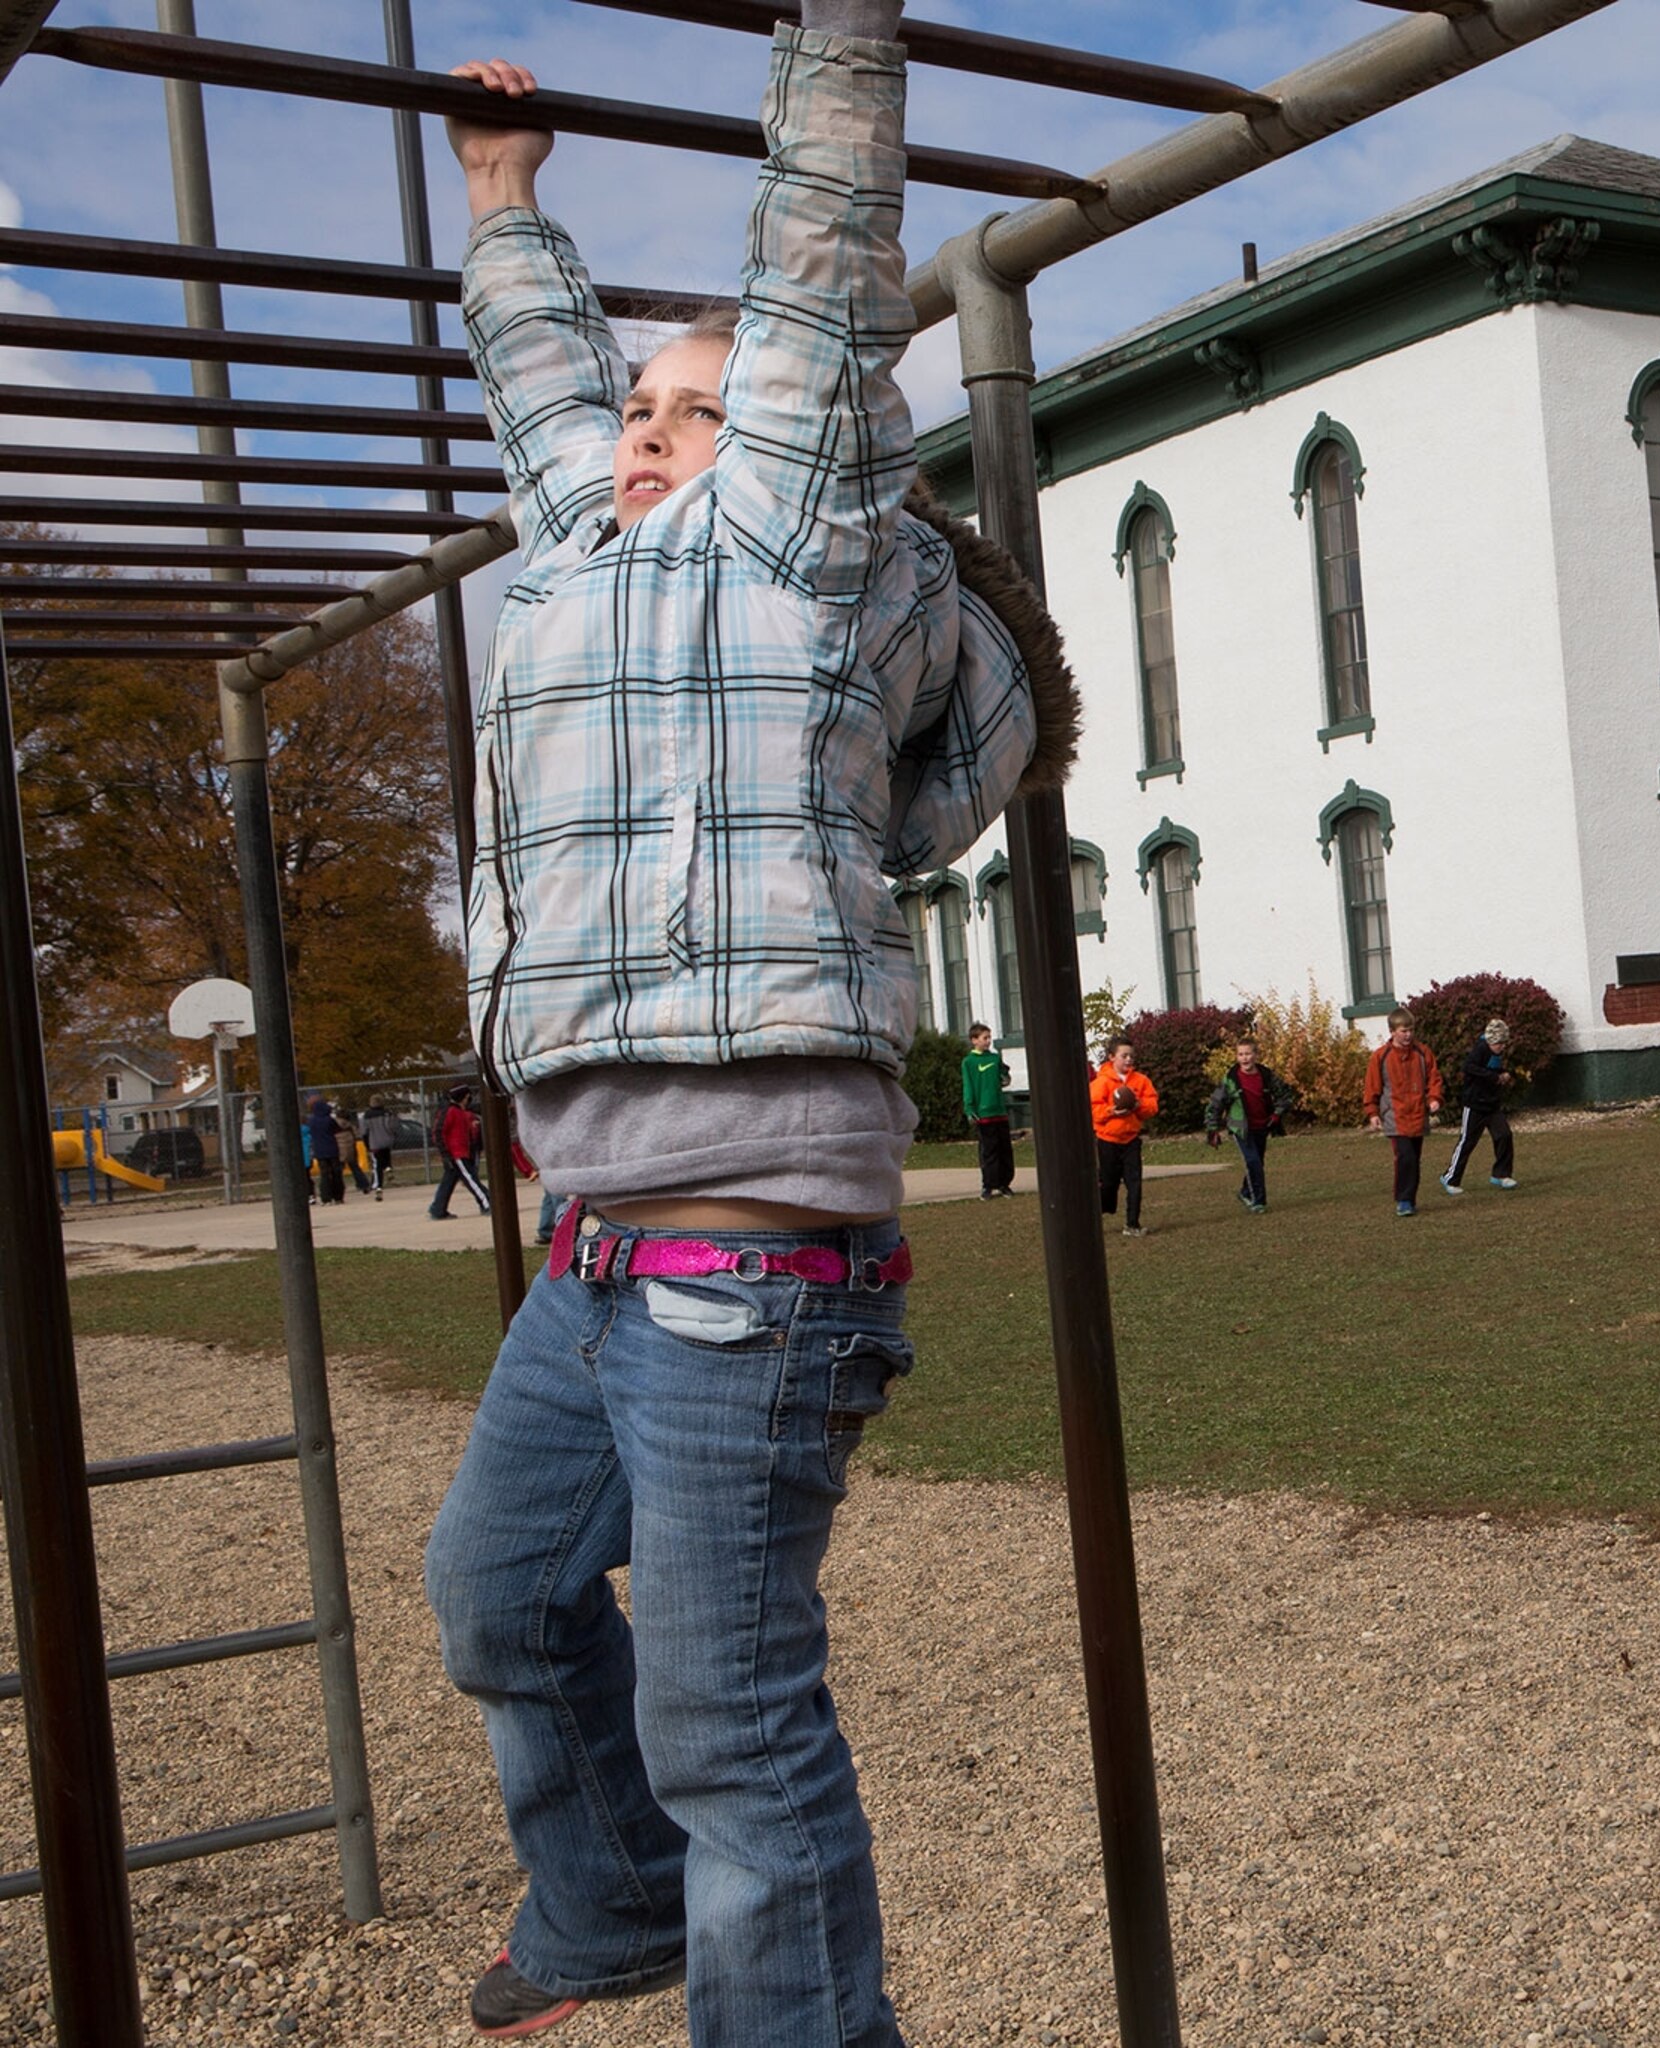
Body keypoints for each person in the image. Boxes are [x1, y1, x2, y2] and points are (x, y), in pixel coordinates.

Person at [423, 9, 1064, 2041]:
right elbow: (545, 386)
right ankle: (607, 1902)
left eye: (689, 408)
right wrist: (506, 208)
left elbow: (818, 267)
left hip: (751, 1262)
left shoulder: (788, 547)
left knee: (729, 1717)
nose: (640, 425)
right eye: (637, 403)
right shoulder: (585, 552)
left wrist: (839, 37)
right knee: (498, 1596)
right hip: (594, 1255)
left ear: (792, 446)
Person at [1203, 1036, 1296, 1213]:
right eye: (1240, 1055)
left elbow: (1285, 1095)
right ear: (1236, 1057)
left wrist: (1277, 1115)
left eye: (1248, 1054)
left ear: (1256, 1055)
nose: (1245, 1058)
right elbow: (1215, 1104)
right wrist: (1212, 1128)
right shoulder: (1231, 1079)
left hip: (1262, 1125)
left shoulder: (1266, 1075)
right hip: (1240, 1127)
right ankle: (1258, 1201)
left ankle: (1245, 1191)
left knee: (1257, 1162)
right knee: (1252, 1161)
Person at [1361, 1014, 1440, 1217]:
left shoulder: (1423, 1053)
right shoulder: (1381, 1056)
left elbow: (1434, 1077)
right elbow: (1372, 1086)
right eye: (1404, 1031)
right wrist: (1372, 1112)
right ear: (1393, 1032)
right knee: (1405, 1156)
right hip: (1395, 1115)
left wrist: (1434, 1098)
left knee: (1415, 1158)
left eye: (1411, 1030)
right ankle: (1403, 1200)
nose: (1408, 1035)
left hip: (1418, 1113)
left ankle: (1410, 1198)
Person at [1440, 1017, 1518, 1195]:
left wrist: (1504, 1075)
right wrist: (1493, 1077)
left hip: (1492, 1105)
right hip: (1475, 1105)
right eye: (1499, 1043)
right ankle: (1450, 1178)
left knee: (1504, 1135)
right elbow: (1469, 1067)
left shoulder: (1498, 1052)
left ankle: (1501, 1174)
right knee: (1467, 1142)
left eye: (1503, 1043)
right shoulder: (1479, 1050)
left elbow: (1497, 1069)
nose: (1502, 1047)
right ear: (1490, 1040)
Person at [1090, 1038, 1158, 1235]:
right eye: (1124, 1056)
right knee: (1109, 1184)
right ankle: (1098, 1213)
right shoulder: (1101, 1082)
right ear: (1112, 1057)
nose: (1129, 1060)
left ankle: (1132, 1223)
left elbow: (1152, 1105)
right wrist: (1111, 1111)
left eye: (1131, 1056)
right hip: (1107, 1141)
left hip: (1131, 1141)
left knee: (1134, 1183)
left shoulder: (1141, 1081)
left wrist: (1138, 1106)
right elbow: (1093, 1109)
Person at [962, 1021, 1014, 1200]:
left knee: (1004, 1149)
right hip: (984, 1114)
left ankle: (1004, 1183)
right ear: (974, 1040)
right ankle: (988, 1185)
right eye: (984, 1038)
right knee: (988, 1151)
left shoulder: (994, 1058)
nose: (988, 1041)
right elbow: (968, 1086)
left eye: (989, 1037)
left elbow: (1003, 1075)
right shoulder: (968, 1062)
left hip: (999, 1110)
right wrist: (969, 1108)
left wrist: (1005, 1077)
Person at [425, 1084, 489, 1221]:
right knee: (471, 1179)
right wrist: (446, 1154)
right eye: (467, 1097)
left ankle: (438, 1209)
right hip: (456, 1153)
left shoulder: (459, 1111)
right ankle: (487, 1202)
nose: (468, 1100)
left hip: (461, 1152)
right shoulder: (449, 1111)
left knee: (448, 1182)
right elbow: (438, 1132)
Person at [304, 1094, 345, 1206]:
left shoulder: (311, 1121)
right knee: (336, 1173)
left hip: (320, 1150)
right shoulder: (329, 1120)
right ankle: (338, 1196)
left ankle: (326, 1197)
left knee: (324, 1174)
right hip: (332, 1148)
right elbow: (337, 1130)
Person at [359, 1101, 400, 1196]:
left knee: (377, 1164)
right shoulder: (387, 1113)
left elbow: (364, 1132)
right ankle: (388, 1168)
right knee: (386, 1157)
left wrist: (367, 1145)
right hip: (387, 1140)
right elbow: (393, 1127)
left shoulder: (366, 1116)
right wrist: (393, 1136)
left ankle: (378, 1186)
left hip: (374, 1142)